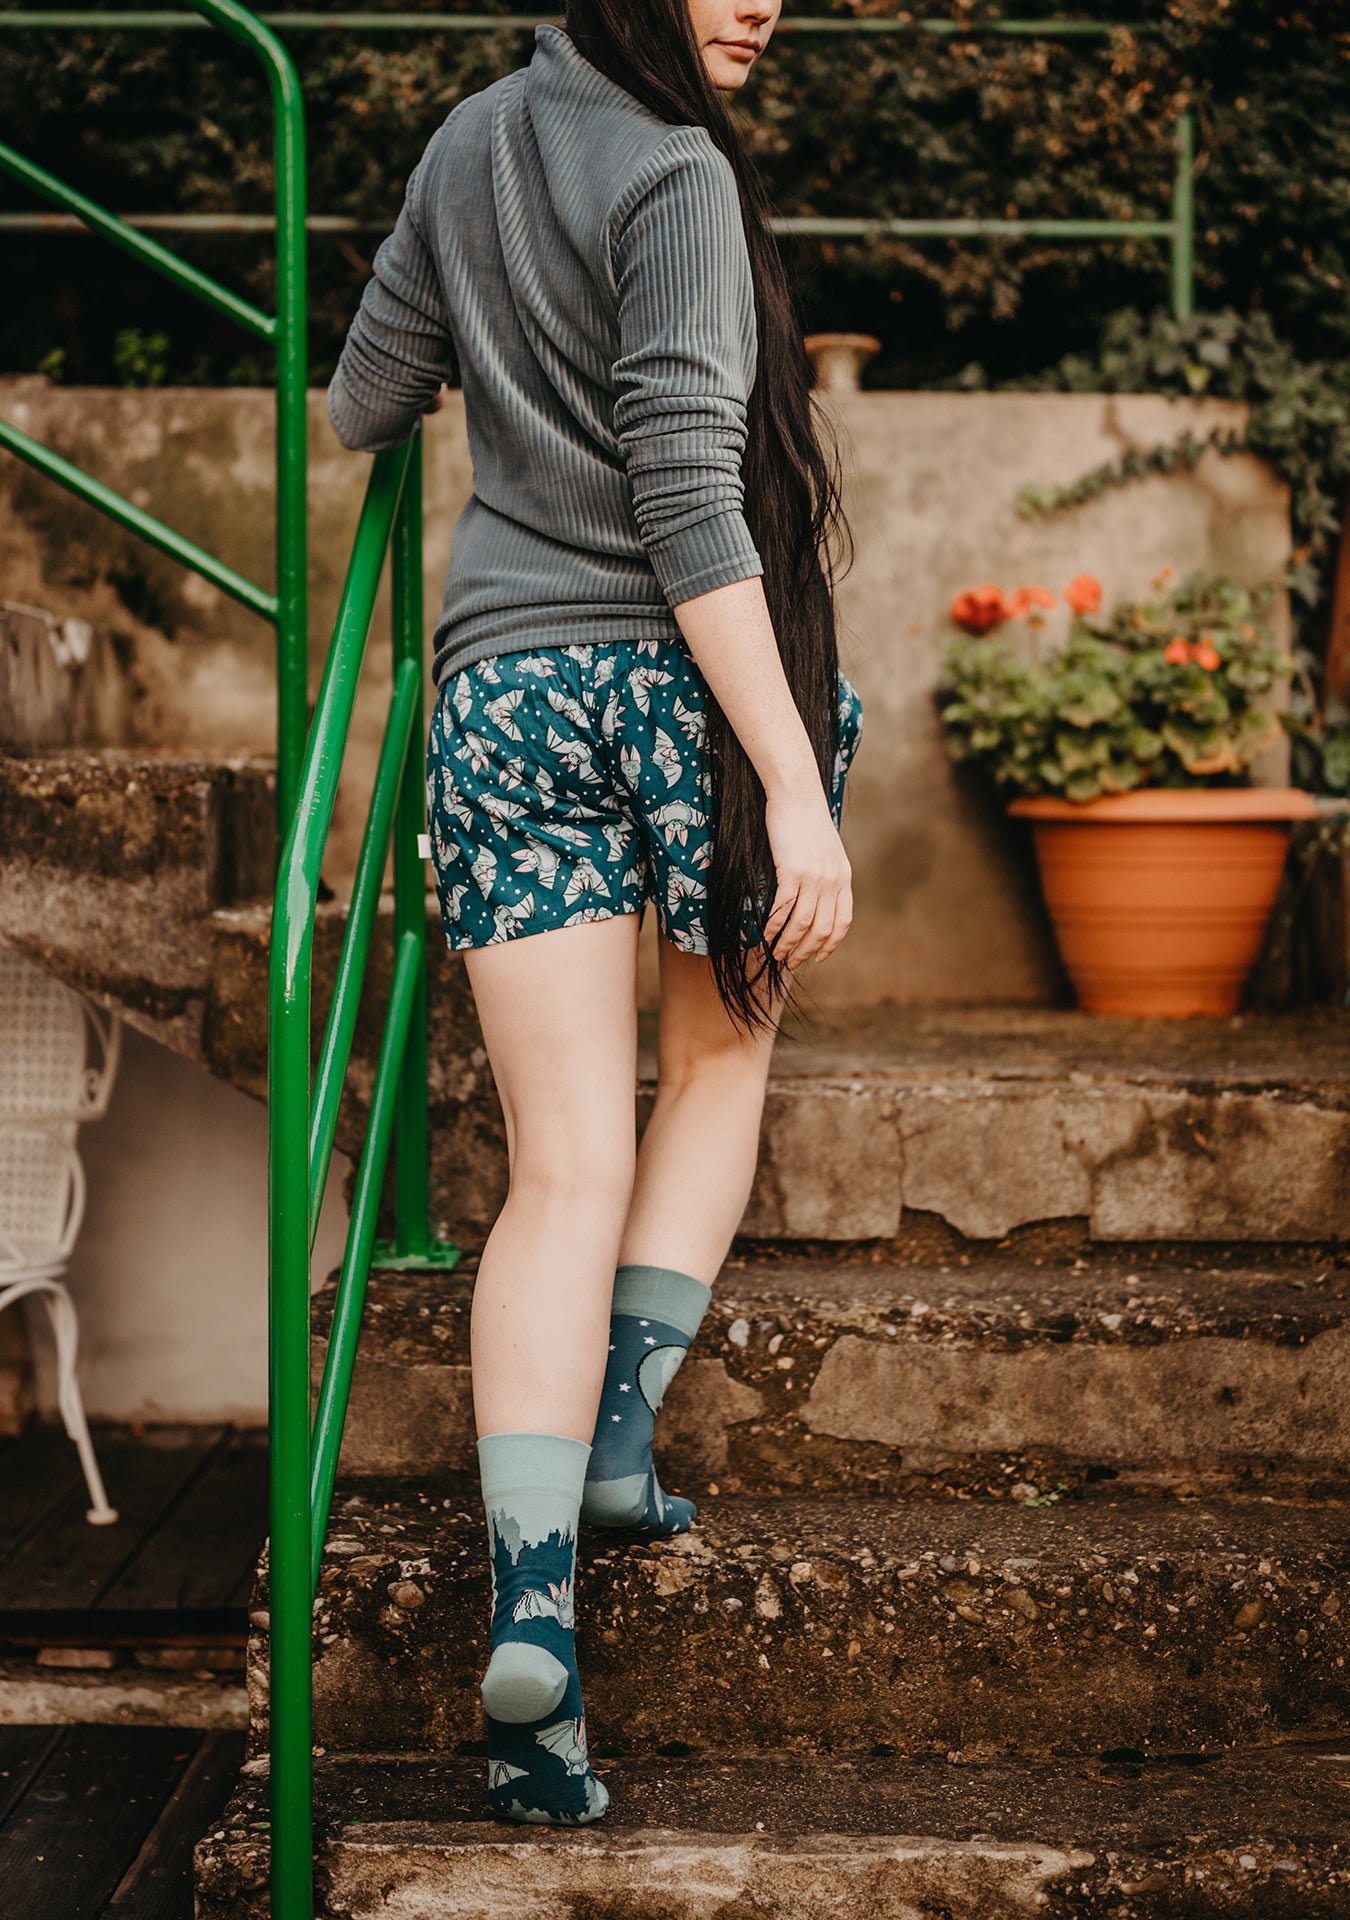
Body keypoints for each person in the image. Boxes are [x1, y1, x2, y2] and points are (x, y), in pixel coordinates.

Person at [327, 0, 862, 1826]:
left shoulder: (466, 146)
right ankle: (623, 1426)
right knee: (712, 1072)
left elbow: (361, 404)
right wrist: (793, 779)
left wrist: (493, 338)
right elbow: (693, 503)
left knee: (560, 1163)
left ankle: (543, 1592)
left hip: (498, 690)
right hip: (685, 695)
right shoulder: (680, 173)